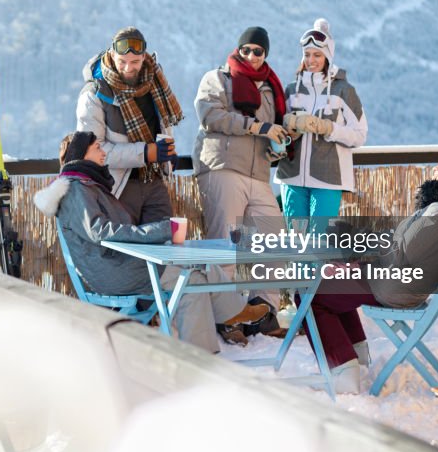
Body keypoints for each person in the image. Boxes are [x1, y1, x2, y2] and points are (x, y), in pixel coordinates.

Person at [35, 131, 269, 353]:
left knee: (194, 276)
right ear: (81, 154)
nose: (103, 152)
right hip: (113, 273)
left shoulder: (87, 186)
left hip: (117, 265)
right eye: (97, 148)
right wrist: (160, 231)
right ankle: (229, 318)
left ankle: (205, 353)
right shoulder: (78, 189)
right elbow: (102, 231)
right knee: (191, 274)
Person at [306, 150, 438, 393]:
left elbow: (401, 252)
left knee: (310, 295)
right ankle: (354, 362)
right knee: (335, 281)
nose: (435, 169)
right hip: (407, 283)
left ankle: (343, 372)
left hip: (397, 287)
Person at [77, 27, 183, 225]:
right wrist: (145, 153)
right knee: (125, 252)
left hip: (154, 181)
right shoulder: (94, 93)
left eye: (134, 62)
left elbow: (161, 126)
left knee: (164, 246)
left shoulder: (156, 83)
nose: (128, 68)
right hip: (115, 186)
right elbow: (91, 151)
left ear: (144, 57)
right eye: (122, 62)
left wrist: (167, 154)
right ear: (111, 55)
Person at [192, 26, 289, 240]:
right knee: (225, 247)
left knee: (276, 246)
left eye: (257, 51)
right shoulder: (218, 77)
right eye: (246, 50)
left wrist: (278, 146)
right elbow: (211, 116)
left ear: (265, 54)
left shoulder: (271, 88)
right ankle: (207, 276)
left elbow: (270, 131)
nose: (251, 56)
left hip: (259, 175)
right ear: (238, 49)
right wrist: (257, 127)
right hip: (224, 168)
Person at [277, 18, 367, 233]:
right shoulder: (292, 90)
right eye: (307, 55)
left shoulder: (344, 91)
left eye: (317, 55)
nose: (311, 60)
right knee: (296, 243)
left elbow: (360, 135)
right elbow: (277, 132)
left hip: (328, 179)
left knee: (319, 243)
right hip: (292, 176)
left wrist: (328, 128)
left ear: (327, 56)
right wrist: (289, 130)